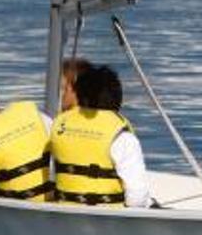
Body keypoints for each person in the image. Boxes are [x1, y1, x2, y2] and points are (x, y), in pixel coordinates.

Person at [50, 65, 150, 207]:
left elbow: (52, 177)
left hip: (64, 215)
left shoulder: (58, 126)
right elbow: (137, 198)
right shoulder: (122, 137)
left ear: (79, 96)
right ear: (118, 99)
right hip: (110, 221)